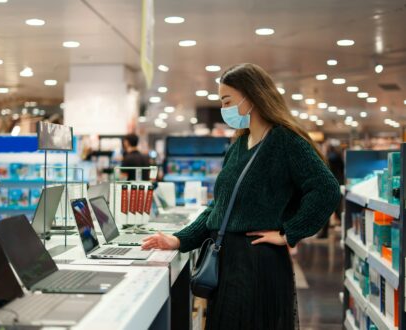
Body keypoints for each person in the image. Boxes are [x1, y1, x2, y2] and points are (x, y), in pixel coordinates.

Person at [142, 63, 341, 330]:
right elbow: (219, 209)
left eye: (228, 101)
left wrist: (288, 233)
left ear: (252, 97)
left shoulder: (284, 141)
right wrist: (179, 239)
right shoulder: (238, 146)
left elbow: (326, 189)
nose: (224, 109)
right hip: (228, 263)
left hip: (259, 264)